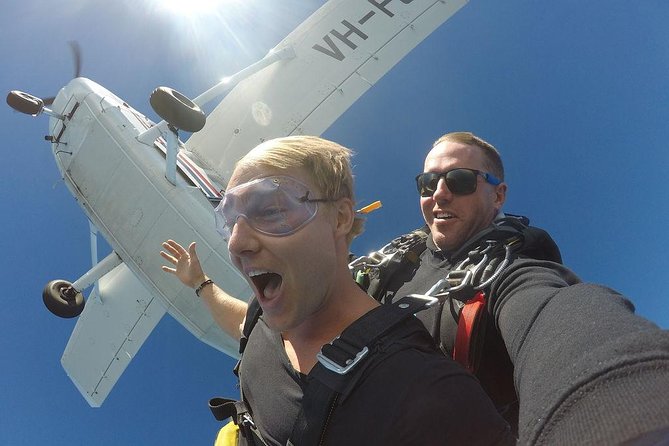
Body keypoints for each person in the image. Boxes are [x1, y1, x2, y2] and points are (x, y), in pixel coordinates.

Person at [160, 136, 513, 445]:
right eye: (229, 219)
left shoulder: (422, 395)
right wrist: (200, 283)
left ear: (341, 218)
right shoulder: (265, 314)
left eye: (269, 210)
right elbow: (244, 326)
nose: (236, 242)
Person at [350, 131, 669, 445]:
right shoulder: (390, 263)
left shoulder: (508, 269)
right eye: (428, 183)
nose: (440, 193)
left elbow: (552, 316)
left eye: (460, 180)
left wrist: (623, 396)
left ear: (498, 195)